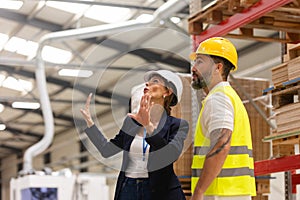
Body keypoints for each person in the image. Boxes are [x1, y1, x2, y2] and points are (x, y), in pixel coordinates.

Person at [80, 70, 189, 200]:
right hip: (129, 188)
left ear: (167, 92)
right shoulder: (131, 122)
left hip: (159, 191)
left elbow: (170, 154)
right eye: (147, 82)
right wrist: (90, 124)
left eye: (155, 81)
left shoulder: (177, 125)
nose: (147, 84)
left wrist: (148, 126)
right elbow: (107, 150)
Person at [189, 37, 256, 200]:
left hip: (220, 193)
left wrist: (199, 191)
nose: (193, 68)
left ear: (217, 68)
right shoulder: (228, 97)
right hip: (230, 192)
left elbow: (222, 145)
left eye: (199, 62)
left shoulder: (218, 99)